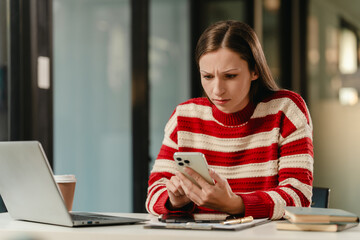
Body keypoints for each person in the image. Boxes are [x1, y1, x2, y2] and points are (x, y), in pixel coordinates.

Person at [145, 20, 313, 220]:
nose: (217, 90)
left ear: (255, 71)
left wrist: (234, 204)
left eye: (230, 76)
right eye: (207, 76)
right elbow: (154, 193)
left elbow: (299, 197)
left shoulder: (285, 110)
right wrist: (173, 200)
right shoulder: (185, 116)